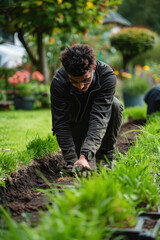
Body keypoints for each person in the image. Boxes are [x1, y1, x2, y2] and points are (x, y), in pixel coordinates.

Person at [50, 44, 123, 172]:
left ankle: (105, 161)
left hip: (96, 119)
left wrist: (85, 154)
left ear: (93, 68)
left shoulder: (107, 76)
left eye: (86, 80)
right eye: (74, 82)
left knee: (115, 105)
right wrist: (72, 160)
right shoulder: (59, 82)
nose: (81, 86)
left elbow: (100, 117)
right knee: (76, 162)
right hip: (75, 125)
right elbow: (60, 122)